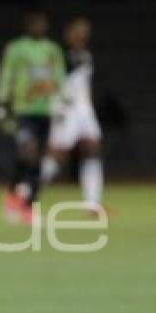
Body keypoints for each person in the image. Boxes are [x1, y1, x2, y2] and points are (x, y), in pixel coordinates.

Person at [0, 8, 65, 224]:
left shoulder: (52, 49)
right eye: (35, 23)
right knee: (28, 153)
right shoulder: (16, 48)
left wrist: (60, 99)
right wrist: (1, 101)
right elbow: (7, 73)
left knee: (38, 159)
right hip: (22, 109)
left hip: (44, 110)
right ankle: (21, 199)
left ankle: (23, 200)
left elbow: (59, 77)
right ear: (28, 26)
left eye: (42, 24)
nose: (39, 27)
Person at [41, 17, 105, 215]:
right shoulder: (60, 55)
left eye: (84, 32)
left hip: (85, 111)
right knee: (57, 156)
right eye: (77, 32)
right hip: (66, 109)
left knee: (93, 150)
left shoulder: (85, 55)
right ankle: (25, 193)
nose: (81, 36)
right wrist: (56, 104)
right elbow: (48, 80)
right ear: (68, 34)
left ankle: (93, 205)